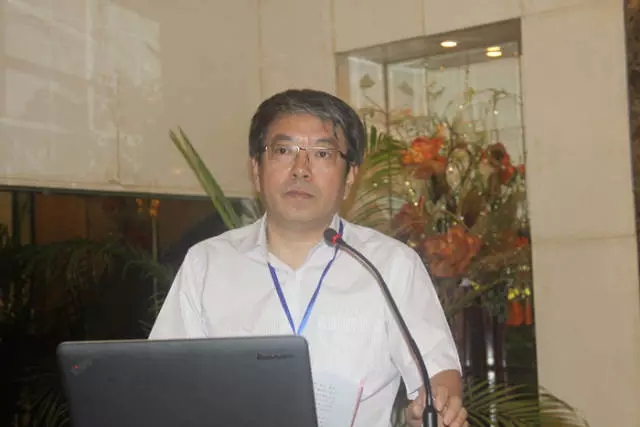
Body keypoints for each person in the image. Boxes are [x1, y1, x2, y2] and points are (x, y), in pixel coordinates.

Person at [149, 89, 468, 427]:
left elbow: (437, 372)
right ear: (256, 169)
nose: (300, 169)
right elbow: (162, 380)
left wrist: (435, 409)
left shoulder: (390, 265)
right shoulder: (208, 264)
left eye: (322, 153)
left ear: (350, 176)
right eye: (283, 151)